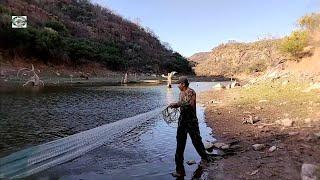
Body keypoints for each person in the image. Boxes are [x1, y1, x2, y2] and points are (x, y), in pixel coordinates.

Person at [169, 76, 210, 177]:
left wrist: (177, 104)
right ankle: (180, 171)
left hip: (191, 122)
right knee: (179, 145)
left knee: (196, 141)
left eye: (178, 83)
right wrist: (176, 105)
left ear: (183, 84)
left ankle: (205, 159)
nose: (177, 85)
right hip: (182, 122)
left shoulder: (191, 92)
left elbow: (187, 104)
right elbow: (182, 105)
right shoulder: (180, 93)